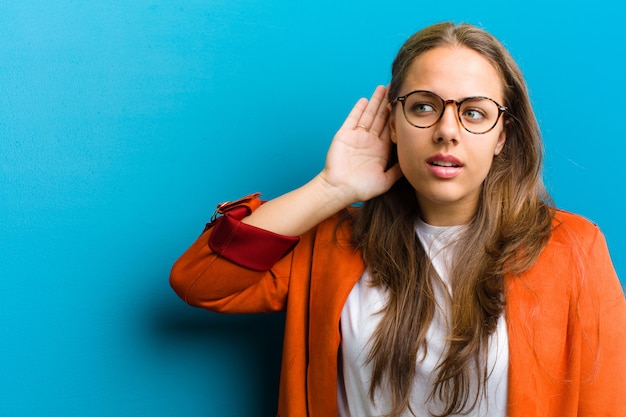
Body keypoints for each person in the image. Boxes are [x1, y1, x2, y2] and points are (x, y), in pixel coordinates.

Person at [170, 22, 626, 417]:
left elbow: (608, 403)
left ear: (502, 136)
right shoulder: (331, 241)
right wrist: (331, 188)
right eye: (424, 106)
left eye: (474, 113)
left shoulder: (571, 247)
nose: (447, 130)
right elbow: (199, 281)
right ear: (392, 122)